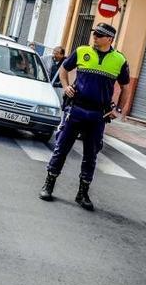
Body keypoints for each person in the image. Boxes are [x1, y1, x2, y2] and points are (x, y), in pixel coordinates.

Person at [38, 22, 131, 210]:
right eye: (94, 34)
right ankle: (48, 185)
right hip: (76, 110)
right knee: (61, 148)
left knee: (91, 155)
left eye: (99, 35)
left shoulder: (119, 60)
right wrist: (66, 87)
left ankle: (82, 193)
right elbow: (64, 70)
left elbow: (125, 88)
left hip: (98, 115)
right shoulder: (81, 52)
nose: (94, 37)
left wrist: (118, 110)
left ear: (109, 39)